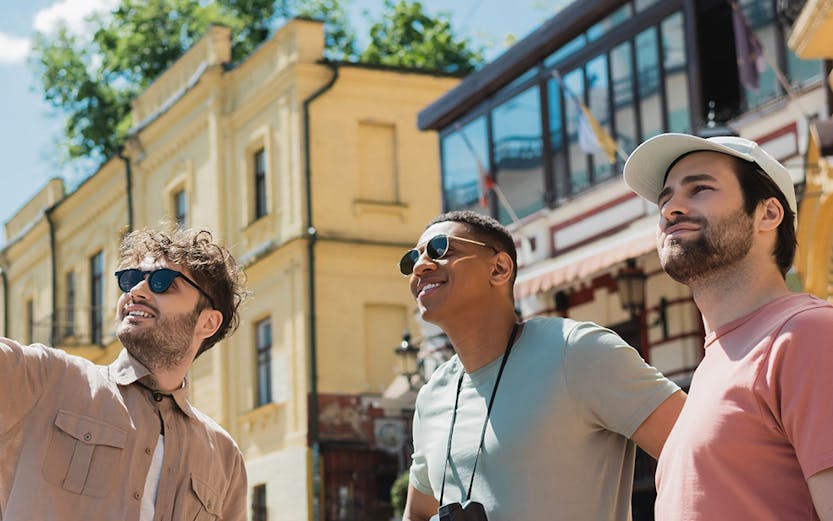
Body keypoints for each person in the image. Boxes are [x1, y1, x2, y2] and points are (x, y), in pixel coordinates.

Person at [399, 210, 685, 521]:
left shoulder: (575, 351)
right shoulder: (431, 397)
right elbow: (417, 513)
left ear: (499, 268)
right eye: (411, 260)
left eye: (440, 249)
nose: (420, 266)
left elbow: (700, 448)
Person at [624, 133, 833, 520]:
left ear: (768, 214)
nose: (671, 209)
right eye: (664, 199)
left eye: (700, 189)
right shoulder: (714, 367)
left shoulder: (809, 334)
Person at [0, 225, 249, 520]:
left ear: (208, 322)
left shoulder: (225, 458)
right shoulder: (45, 378)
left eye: (162, 282)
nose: (136, 290)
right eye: (130, 279)